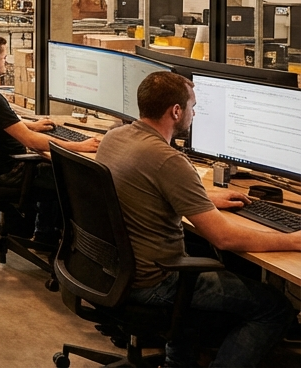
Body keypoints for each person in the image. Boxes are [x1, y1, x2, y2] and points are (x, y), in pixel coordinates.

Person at [97, 71, 298, 367]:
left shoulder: (114, 138)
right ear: (176, 111)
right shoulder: (169, 160)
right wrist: (291, 240)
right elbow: (224, 238)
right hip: (156, 282)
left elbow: (146, 193)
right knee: (274, 308)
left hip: (111, 271)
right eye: (193, 106)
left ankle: (179, 362)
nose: (194, 113)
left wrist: (202, 201)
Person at [0, 33, 98, 245]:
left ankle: (44, 234)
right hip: (8, 173)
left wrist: (31, 125)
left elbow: (0, 123)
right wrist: (78, 145)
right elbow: (31, 141)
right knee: (68, 175)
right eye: (4, 58)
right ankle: (47, 239)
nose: (5, 62)